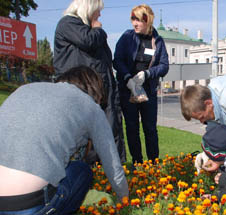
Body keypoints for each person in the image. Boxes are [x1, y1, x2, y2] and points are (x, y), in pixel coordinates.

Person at [0, 66, 129, 214]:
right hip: (29, 205)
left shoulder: (25, 89)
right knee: (82, 171)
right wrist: (124, 199)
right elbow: (113, 167)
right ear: (96, 91)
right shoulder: (91, 107)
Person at [53, 0, 126, 163]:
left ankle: (108, 171)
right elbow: (88, 41)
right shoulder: (68, 23)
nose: (99, 15)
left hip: (99, 92)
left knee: (106, 133)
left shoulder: (87, 29)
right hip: (81, 92)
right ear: (89, 9)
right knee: (84, 140)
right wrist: (98, 29)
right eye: (97, 10)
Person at [113, 4, 169, 166]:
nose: (134, 23)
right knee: (132, 129)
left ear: (147, 21)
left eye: (138, 20)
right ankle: (138, 163)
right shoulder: (127, 37)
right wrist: (128, 78)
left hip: (148, 91)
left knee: (150, 129)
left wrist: (147, 74)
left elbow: (164, 66)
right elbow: (118, 60)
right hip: (128, 89)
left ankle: (153, 164)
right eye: (133, 19)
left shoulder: (157, 41)